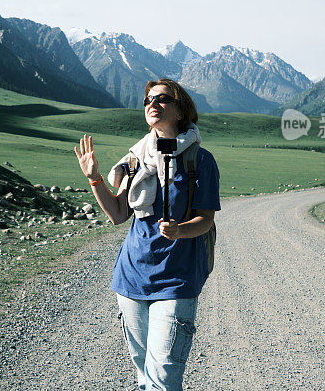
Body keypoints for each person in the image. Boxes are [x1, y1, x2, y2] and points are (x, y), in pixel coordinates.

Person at [74, 78, 221, 391]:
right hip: (131, 278)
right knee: (144, 378)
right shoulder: (136, 159)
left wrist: (180, 230)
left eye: (163, 98)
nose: (152, 105)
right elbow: (117, 214)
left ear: (182, 110)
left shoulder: (200, 160)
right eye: (147, 101)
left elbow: (205, 220)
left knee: (163, 383)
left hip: (176, 280)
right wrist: (95, 178)